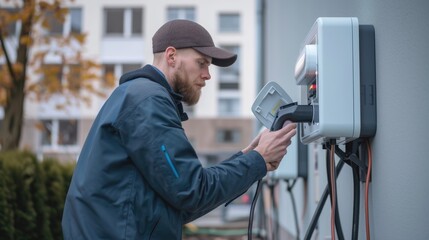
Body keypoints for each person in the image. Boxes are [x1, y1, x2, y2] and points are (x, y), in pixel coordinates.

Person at [62, 19, 296, 239]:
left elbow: (177, 202)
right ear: (171, 56)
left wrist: (248, 159)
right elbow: (191, 191)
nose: (207, 75)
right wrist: (257, 160)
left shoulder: (139, 97)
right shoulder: (147, 102)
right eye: (201, 63)